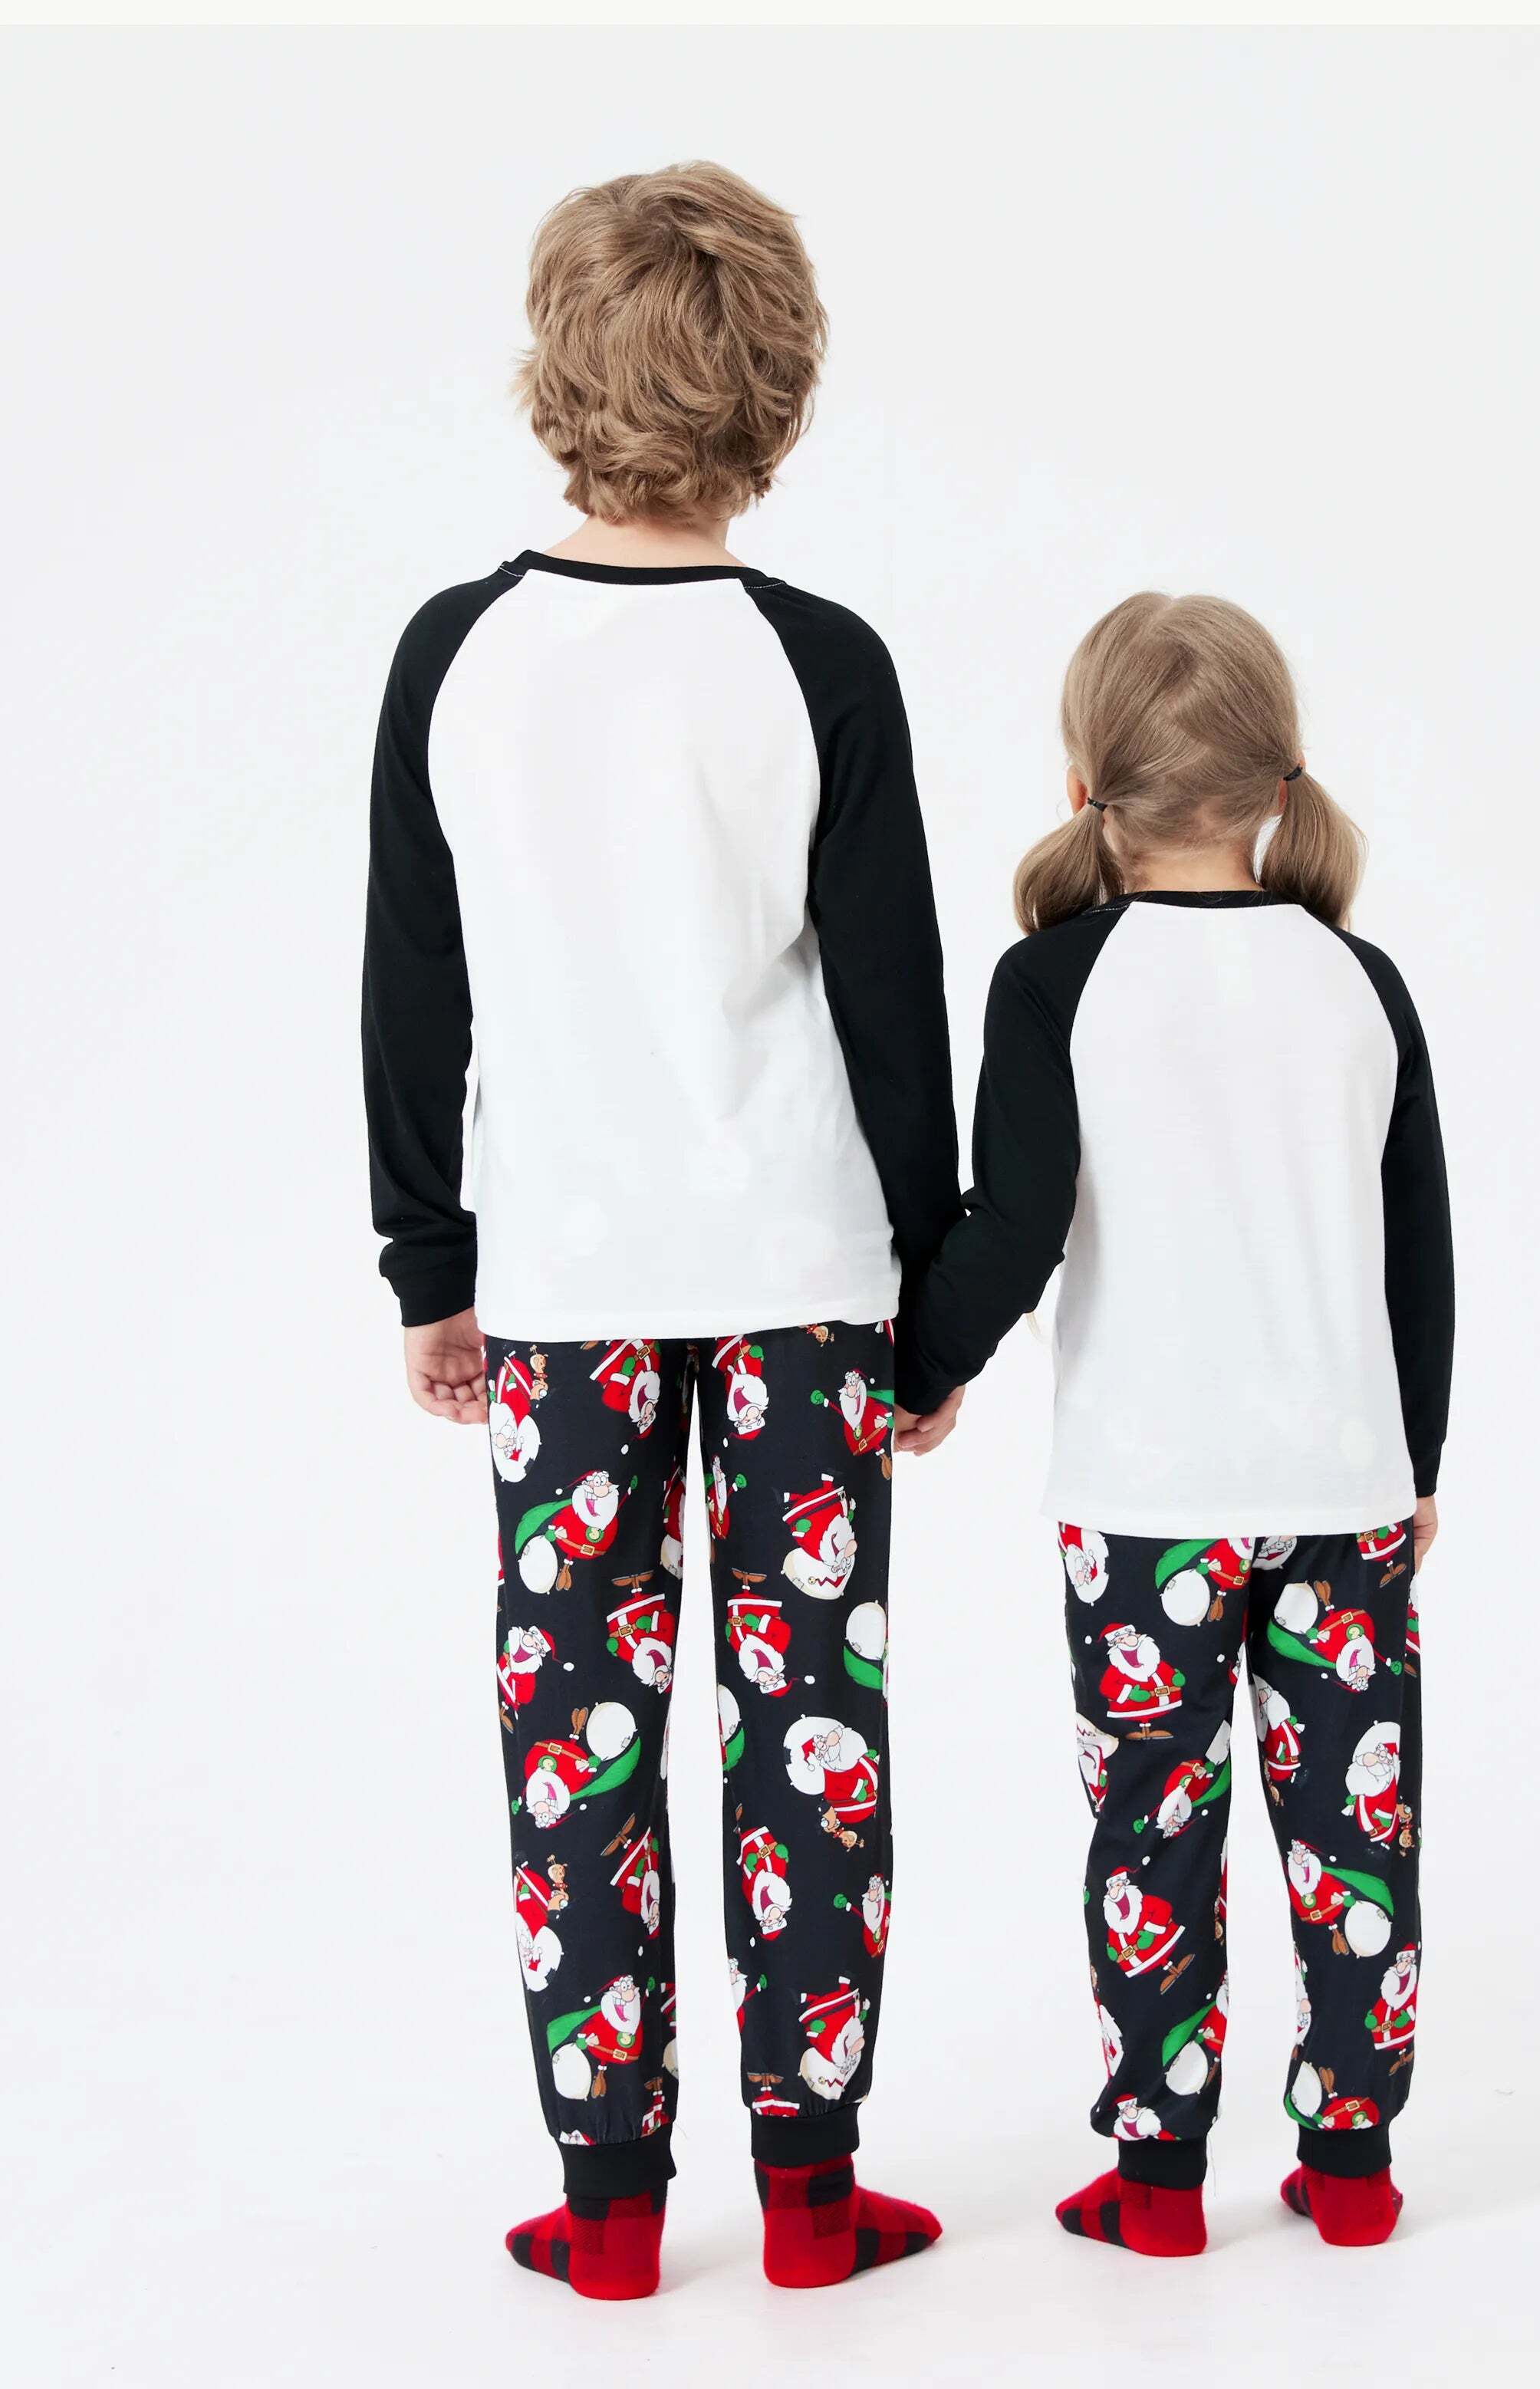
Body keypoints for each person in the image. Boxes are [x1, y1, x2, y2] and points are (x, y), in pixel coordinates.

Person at [362, 163, 960, 2299]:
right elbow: (895, 1009)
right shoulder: (820, 663)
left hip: (565, 1294)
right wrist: (934, 1294)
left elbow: (411, 988)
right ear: (778, 389)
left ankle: (610, 2210)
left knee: (577, 1745)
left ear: (556, 375)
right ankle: (812, 2197)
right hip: (805, 1291)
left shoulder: (460, 655)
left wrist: (429, 1265)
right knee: (812, 1738)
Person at [900, 594, 1453, 2255]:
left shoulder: (1054, 980)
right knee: (1357, 1832)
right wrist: (1418, 1461)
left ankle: (1156, 2184)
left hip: (1146, 1502)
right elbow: (1417, 1252)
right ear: (1279, 781)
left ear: (1086, 782)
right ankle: (1352, 2170)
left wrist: (923, 1367)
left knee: (1151, 1832)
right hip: (1344, 1487)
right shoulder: (1359, 982)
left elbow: (1013, 1223)